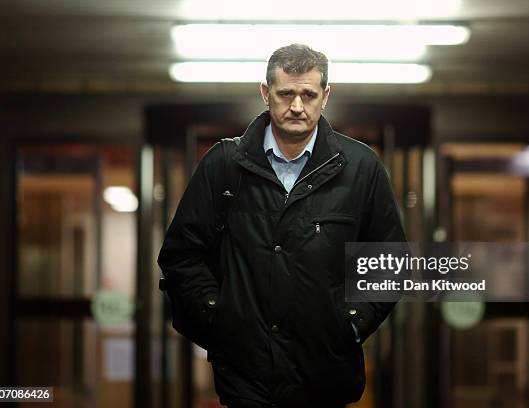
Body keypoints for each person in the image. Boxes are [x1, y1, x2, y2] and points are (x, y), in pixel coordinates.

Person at [158, 43, 406, 408]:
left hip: (326, 377)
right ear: (265, 93)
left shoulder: (361, 168)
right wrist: (219, 316)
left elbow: (390, 261)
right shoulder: (224, 165)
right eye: (285, 93)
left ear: (326, 97)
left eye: (308, 94)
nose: (296, 106)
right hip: (247, 379)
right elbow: (181, 257)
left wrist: (350, 323)